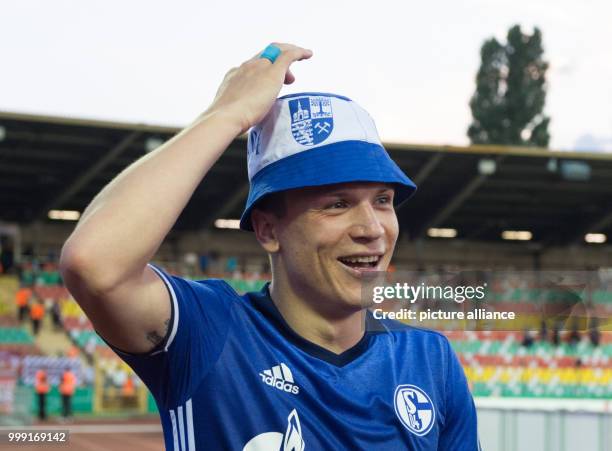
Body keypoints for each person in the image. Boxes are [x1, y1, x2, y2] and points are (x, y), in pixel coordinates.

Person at [60, 44, 479, 450]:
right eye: (337, 204)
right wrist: (226, 114)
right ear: (267, 230)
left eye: (383, 201)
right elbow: (94, 265)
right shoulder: (209, 332)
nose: (372, 229)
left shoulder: (430, 359)